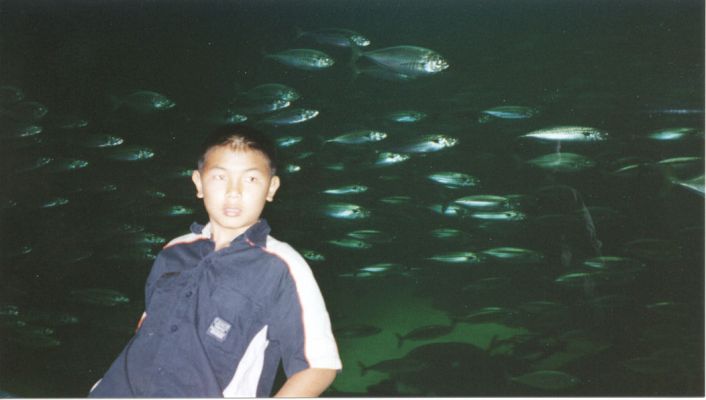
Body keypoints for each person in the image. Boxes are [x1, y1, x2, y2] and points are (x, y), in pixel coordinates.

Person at [89, 124, 342, 397]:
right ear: (198, 183)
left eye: (251, 179)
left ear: (272, 187)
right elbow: (147, 330)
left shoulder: (283, 266)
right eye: (220, 177)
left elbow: (319, 366)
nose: (234, 192)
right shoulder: (174, 250)